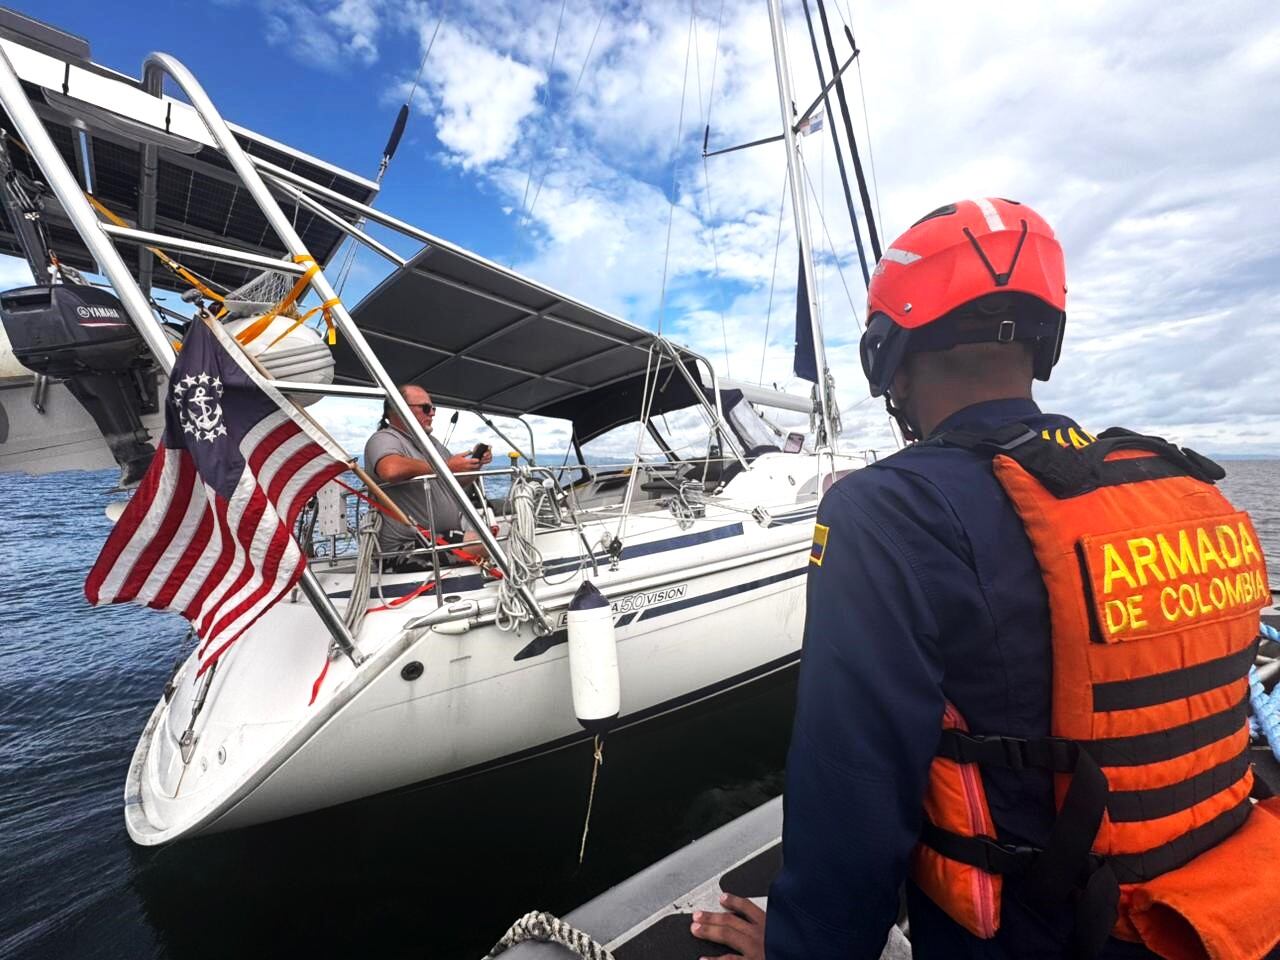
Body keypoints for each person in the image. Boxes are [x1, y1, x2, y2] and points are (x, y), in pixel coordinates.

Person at [693, 198, 1276, 959]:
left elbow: (850, 796)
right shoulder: (1187, 491)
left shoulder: (886, 513)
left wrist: (803, 945)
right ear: (1044, 342)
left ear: (887, 357)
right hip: (1226, 921)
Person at [363, 384, 492, 565]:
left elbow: (457, 482)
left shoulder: (433, 444)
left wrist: (474, 465)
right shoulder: (384, 439)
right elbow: (390, 470)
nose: (432, 413)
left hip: (439, 537)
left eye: (433, 408)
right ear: (400, 410)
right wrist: (447, 465)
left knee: (496, 535)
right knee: (487, 543)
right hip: (406, 547)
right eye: (425, 408)